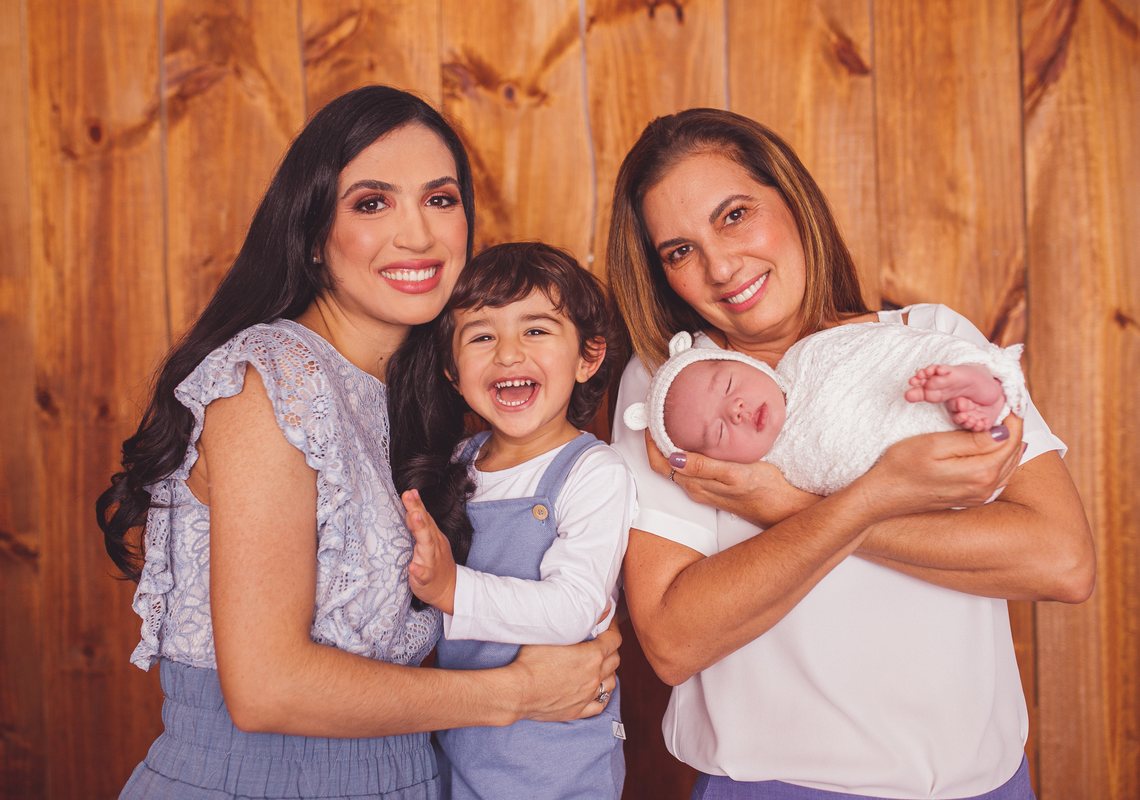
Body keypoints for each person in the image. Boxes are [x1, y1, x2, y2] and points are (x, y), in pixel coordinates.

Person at [95, 85, 620, 800]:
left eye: (440, 200)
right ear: (313, 235)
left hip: (414, 776)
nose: (419, 235)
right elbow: (267, 690)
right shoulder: (269, 382)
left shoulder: (435, 404)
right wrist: (522, 691)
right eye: (372, 203)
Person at [606, 108, 1095, 800]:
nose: (719, 266)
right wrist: (872, 497)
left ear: (794, 201)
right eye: (678, 251)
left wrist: (792, 506)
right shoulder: (675, 394)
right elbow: (674, 640)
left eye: (735, 215)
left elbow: (1063, 561)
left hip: (984, 785)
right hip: (776, 786)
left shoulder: (926, 344)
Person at [387, 242, 635, 800]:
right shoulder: (457, 464)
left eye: (537, 331)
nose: (507, 354)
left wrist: (454, 589)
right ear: (453, 371)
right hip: (461, 743)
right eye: (481, 336)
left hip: (555, 761)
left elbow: (575, 609)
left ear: (588, 357)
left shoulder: (593, 472)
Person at [624, 322, 1028, 496]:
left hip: (911, 386)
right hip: (926, 463)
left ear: (750, 364)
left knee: (931, 373)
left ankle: (974, 381)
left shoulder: (809, 357)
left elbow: (879, 350)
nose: (737, 410)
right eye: (718, 434)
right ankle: (971, 403)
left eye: (729, 385)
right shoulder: (777, 473)